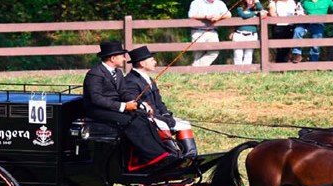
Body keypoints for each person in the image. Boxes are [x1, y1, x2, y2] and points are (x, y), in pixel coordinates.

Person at [83, 41, 179, 171]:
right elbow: (96, 99)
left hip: (113, 108)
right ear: (112, 58)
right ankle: (151, 158)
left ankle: (161, 154)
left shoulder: (117, 73)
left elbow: (124, 92)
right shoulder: (95, 74)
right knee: (131, 122)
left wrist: (138, 103)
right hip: (98, 110)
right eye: (122, 56)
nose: (124, 58)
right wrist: (122, 107)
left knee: (144, 118)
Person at [122, 46, 198, 157]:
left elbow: (159, 102)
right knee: (162, 125)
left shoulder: (150, 80)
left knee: (184, 124)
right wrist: (160, 118)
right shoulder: (131, 81)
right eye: (152, 60)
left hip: (158, 117)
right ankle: (172, 156)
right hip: (144, 119)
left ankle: (190, 156)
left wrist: (166, 114)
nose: (155, 62)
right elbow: (135, 104)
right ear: (142, 63)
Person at [188, 0, 231, 66]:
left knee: (214, 52)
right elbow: (191, 15)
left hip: (212, 31)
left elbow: (228, 15)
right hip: (198, 31)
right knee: (198, 52)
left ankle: (195, 67)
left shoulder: (219, 3)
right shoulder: (196, 2)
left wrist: (219, 17)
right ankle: (198, 71)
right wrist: (205, 17)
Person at [233, 0, 267, 65]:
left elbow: (261, 10)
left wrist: (257, 2)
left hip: (252, 35)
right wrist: (255, 13)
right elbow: (243, 15)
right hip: (239, 34)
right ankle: (238, 70)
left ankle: (246, 71)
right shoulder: (240, 8)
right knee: (238, 54)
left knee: (248, 54)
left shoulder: (256, 9)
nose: (249, 0)